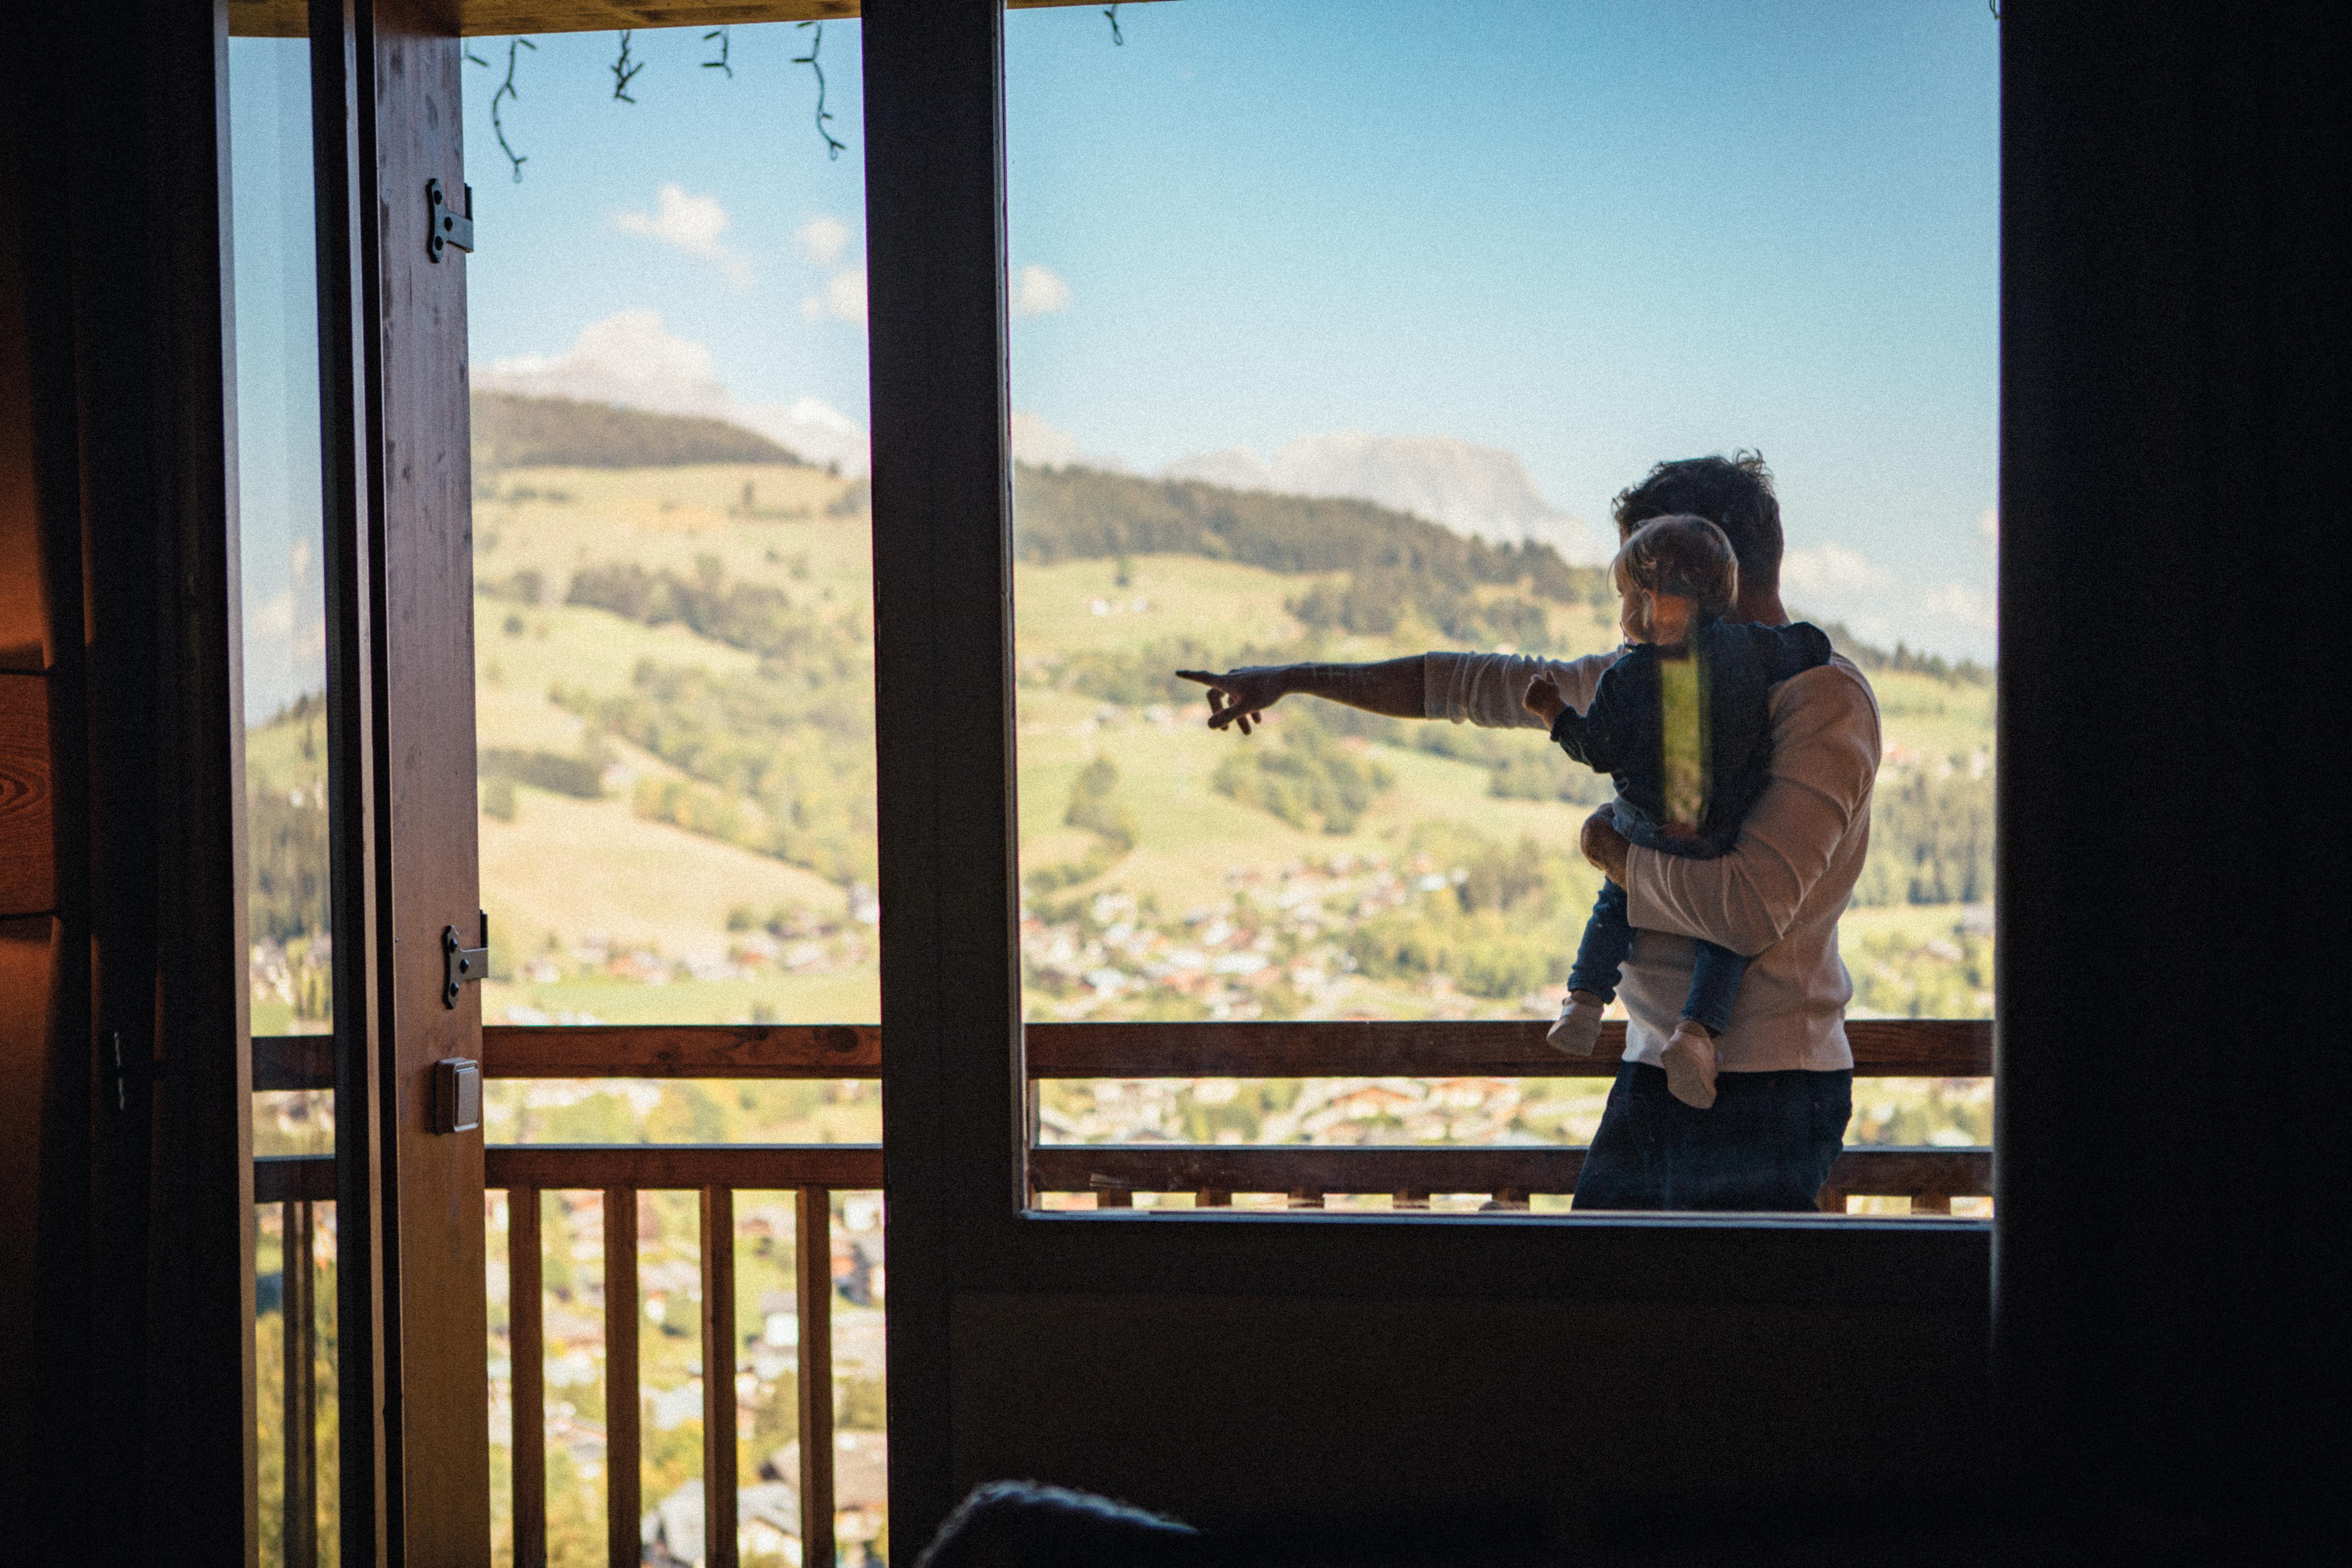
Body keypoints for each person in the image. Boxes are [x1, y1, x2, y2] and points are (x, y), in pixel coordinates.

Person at [1176, 453, 1879, 1211]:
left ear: (1703, 570)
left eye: (1643, 583)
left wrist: (1616, 855)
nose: (1630, 617)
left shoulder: (1824, 700)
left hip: (1772, 1089)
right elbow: (1466, 684)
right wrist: (1294, 678)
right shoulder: (1651, 678)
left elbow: (1749, 907)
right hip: (1657, 1069)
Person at [1522, 513, 1831, 1111]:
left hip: (1644, 828)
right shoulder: (1749, 650)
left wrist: (1553, 713)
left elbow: (1597, 748)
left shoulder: (1627, 677)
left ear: (1657, 601)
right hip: (1717, 832)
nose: (1624, 616)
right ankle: (1697, 1035)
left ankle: (1584, 1001)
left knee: (1616, 903)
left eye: (1630, 598)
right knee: (1725, 940)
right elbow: (1810, 644)